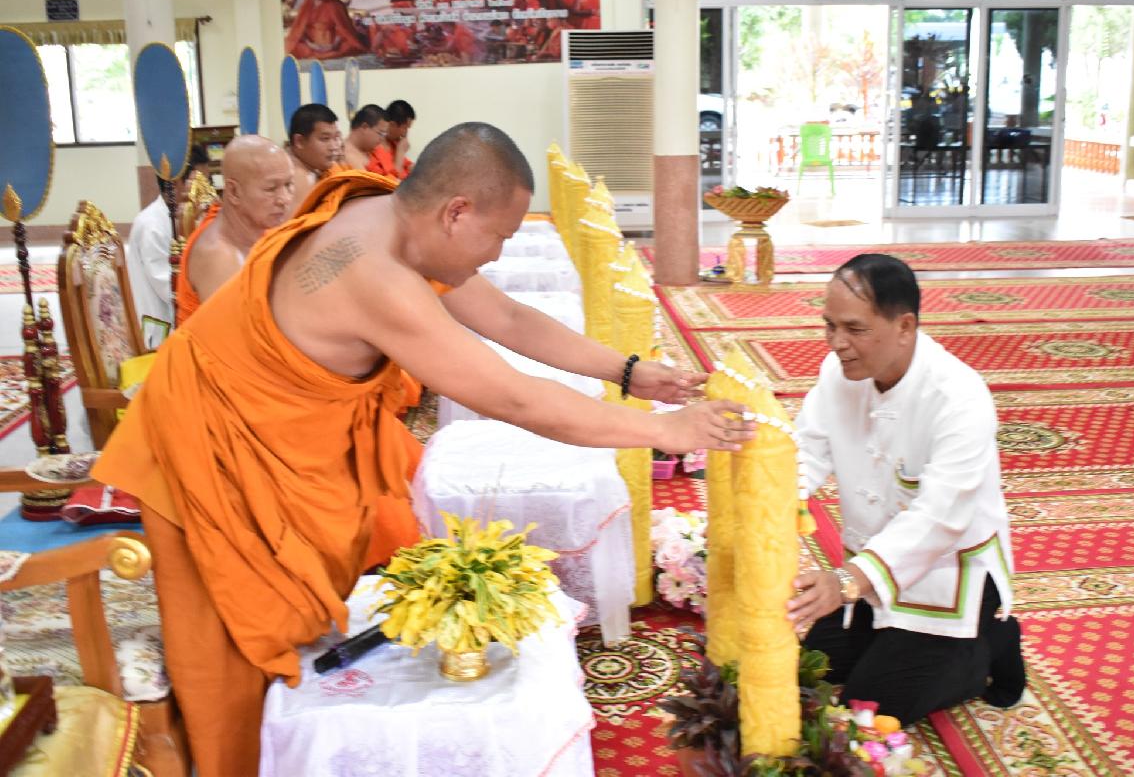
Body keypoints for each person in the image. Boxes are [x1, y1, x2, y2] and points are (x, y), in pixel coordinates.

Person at [92, 122, 755, 776]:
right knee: (233, 658)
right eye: (498, 236)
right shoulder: (375, 275)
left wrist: (626, 372)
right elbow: (515, 399)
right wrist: (666, 431)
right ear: (456, 212)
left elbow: (506, 317)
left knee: (312, 606)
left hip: (271, 435)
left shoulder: (392, 213)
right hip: (206, 448)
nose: (496, 255)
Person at [785, 253, 1025, 727]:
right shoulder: (839, 372)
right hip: (872, 568)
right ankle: (897, 639)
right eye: (829, 326)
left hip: (947, 578)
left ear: (905, 326)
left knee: (866, 709)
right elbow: (805, 453)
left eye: (854, 329)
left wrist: (846, 582)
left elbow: (939, 519)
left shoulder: (959, 397)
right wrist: (765, 506)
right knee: (809, 674)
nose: (837, 343)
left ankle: (987, 645)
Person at [174, 136, 295, 327]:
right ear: (234, 192)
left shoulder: (261, 228)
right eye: (271, 189)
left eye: (288, 185)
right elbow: (241, 336)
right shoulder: (218, 255)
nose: (285, 199)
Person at [125, 143, 210, 347]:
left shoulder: (185, 217)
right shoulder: (152, 226)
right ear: (176, 182)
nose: (206, 193)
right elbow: (170, 289)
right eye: (200, 184)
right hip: (159, 331)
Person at [284, 0, 367, 60]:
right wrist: (311, 44)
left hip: (333, 44)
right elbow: (299, 29)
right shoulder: (305, 6)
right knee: (295, 46)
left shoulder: (335, 5)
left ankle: (328, 52)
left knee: (348, 46)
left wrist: (333, 45)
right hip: (312, 45)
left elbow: (343, 29)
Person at [287, 103, 342, 215]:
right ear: (299, 141)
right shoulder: (297, 177)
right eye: (325, 138)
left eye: (336, 137)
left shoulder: (314, 166)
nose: (334, 147)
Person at [366, 98, 416, 181]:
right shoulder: (373, 148)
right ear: (392, 124)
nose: (405, 133)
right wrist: (400, 152)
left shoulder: (394, 144)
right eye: (405, 128)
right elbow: (392, 182)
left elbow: (410, 167)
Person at [342, 103, 387, 170]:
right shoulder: (347, 155)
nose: (382, 139)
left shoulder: (374, 150)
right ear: (365, 127)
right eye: (380, 134)